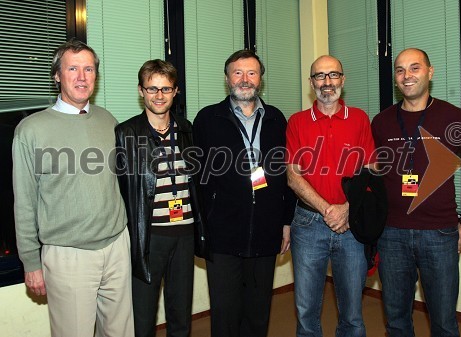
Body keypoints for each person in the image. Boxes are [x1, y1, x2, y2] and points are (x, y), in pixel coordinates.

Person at [12, 40, 133, 337]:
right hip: (69, 256)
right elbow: (24, 201)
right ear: (57, 75)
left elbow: (122, 182)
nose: (82, 77)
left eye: (89, 69)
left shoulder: (108, 120)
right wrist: (31, 261)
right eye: (73, 68)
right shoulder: (31, 130)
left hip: (117, 245)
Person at [371, 48, 461, 337]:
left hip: (439, 234)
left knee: (444, 323)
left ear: (430, 72)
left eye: (414, 68)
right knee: (396, 321)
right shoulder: (382, 121)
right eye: (400, 70)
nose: (407, 75)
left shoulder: (452, 117)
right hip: (391, 234)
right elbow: (373, 176)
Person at [193, 50, 295, 337]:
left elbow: (286, 174)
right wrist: (203, 224)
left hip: (266, 231)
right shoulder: (207, 119)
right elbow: (198, 178)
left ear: (260, 79)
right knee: (225, 315)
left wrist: (286, 221)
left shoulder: (276, 118)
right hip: (222, 233)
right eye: (237, 72)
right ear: (227, 79)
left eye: (251, 72)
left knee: (258, 312)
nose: (245, 79)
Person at [286, 55, 376, 337]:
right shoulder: (298, 122)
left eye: (333, 75)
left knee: (352, 313)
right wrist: (329, 210)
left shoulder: (360, 118)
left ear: (343, 80)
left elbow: (370, 171)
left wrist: (348, 209)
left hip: (352, 225)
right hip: (308, 224)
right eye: (320, 76)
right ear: (311, 83)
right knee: (306, 312)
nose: (327, 82)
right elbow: (292, 175)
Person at [115, 59, 200, 337]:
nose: (159, 96)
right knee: (143, 316)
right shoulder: (126, 133)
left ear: (175, 92)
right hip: (148, 237)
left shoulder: (187, 130)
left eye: (166, 89)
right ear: (141, 91)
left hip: (185, 235)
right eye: (152, 89)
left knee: (180, 314)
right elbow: (120, 189)